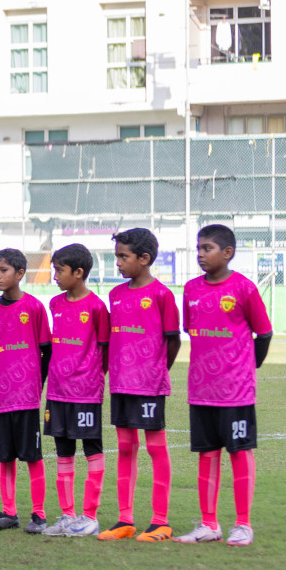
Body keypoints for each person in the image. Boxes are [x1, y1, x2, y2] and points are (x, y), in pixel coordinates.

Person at [176, 224, 273, 547]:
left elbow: (265, 332)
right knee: (206, 454)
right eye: (199, 249)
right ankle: (208, 524)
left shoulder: (244, 288)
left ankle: (243, 525)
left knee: (239, 452)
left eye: (207, 248)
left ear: (228, 253)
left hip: (236, 390)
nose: (201, 255)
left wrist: (248, 367)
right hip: (201, 389)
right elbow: (191, 331)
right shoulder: (191, 289)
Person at [99, 227, 180, 542]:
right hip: (120, 384)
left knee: (156, 448)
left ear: (144, 259)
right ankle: (125, 520)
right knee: (124, 447)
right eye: (116, 255)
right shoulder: (116, 295)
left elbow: (173, 340)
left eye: (123, 256)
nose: (118, 262)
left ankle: (160, 521)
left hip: (149, 386)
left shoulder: (162, 294)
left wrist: (158, 370)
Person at [0, 248, 51, 532]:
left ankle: (39, 514)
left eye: (4, 270)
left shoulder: (33, 307)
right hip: (1, 398)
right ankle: (9, 513)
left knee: (32, 456)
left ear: (20, 274)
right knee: (4, 456)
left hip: (27, 398)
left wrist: (36, 384)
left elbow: (47, 350)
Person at [41, 243, 110, 537]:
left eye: (59, 270)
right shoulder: (55, 304)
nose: (54, 275)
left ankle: (90, 516)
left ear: (78, 273)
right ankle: (68, 516)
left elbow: (106, 349)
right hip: (57, 391)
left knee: (91, 449)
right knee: (63, 452)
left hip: (86, 393)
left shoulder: (97, 307)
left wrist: (91, 376)